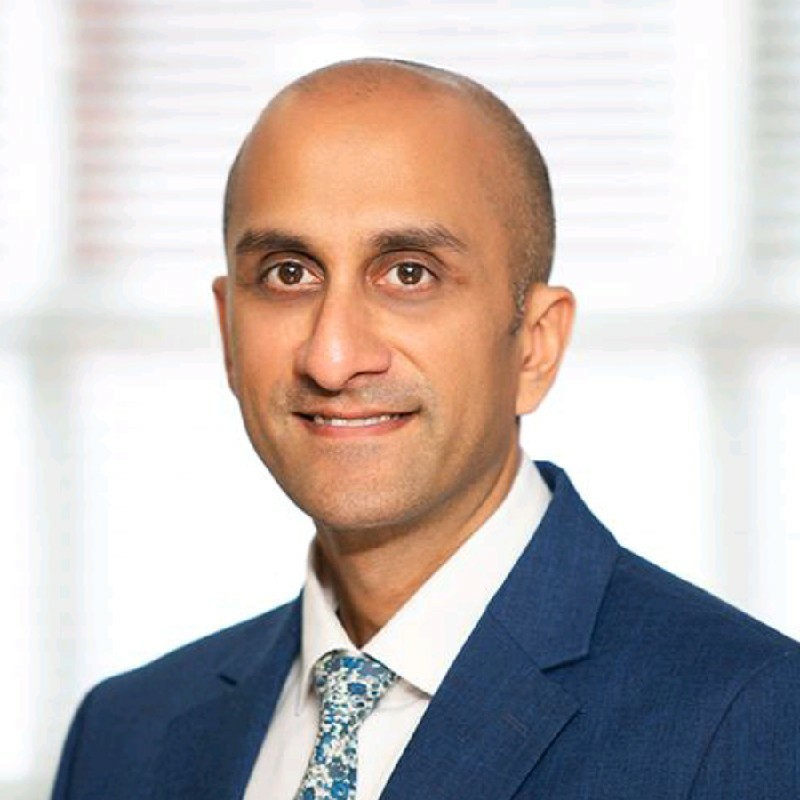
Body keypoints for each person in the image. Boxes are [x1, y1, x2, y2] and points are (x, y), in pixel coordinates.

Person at [52, 58, 799, 800]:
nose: (332, 357)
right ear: (227, 331)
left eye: (410, 273)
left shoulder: (751, 718)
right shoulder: (122, 738)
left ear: (535, 344)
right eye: (288, 273)